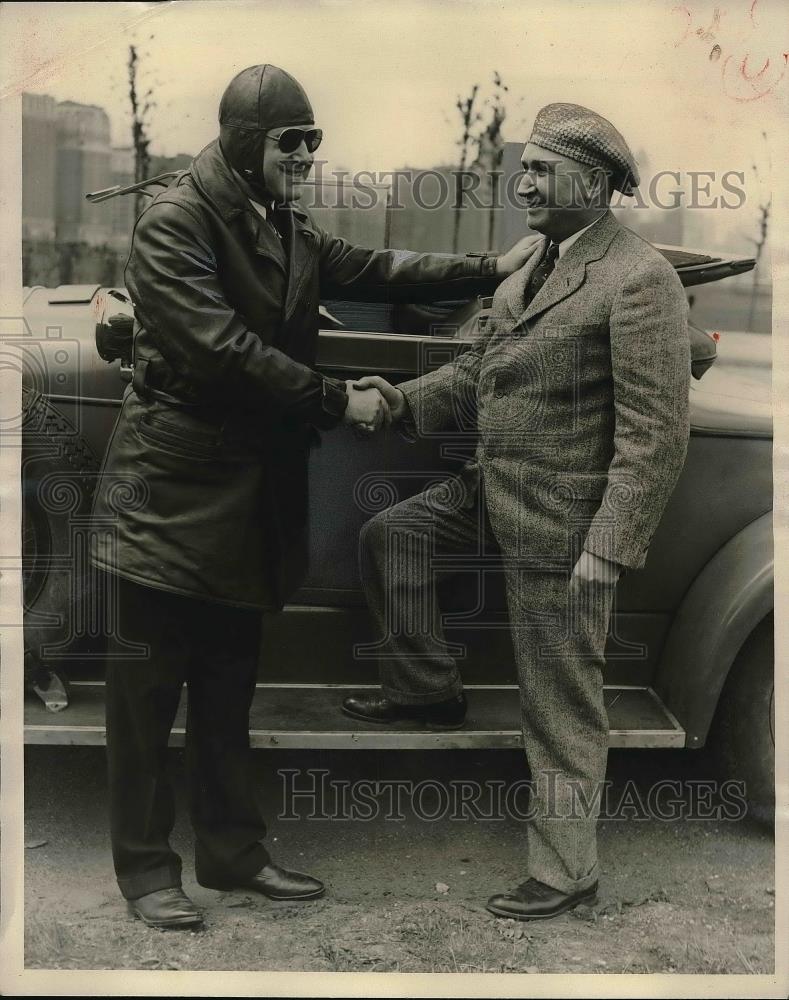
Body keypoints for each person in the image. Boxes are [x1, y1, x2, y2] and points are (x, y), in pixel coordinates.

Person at [89, 63, 536, 929]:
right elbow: (221, 349)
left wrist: (490, 266)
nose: (308, 157)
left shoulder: (282, 222)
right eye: (294, 142)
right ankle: (146, 871)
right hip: (167, 498)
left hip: (246, 499)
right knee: (144, 702)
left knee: (227, 690)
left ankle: (231, 854)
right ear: (249, 142)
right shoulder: (174, 223)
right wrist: (339, 400)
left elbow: (374, 265)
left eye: (315, 141)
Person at [342, 103, 691, 920]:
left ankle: (567, 871)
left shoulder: (639, 280)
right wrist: (394, 401)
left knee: (558, 697)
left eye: (539, 167)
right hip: (492, 488)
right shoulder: (529, 268)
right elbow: (475, 375)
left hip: (565, 524)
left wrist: (606, 549)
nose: (521, 179)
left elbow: (654, 439)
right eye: (523, 164)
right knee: (392, 536)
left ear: (595, 182)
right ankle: (425, 687)